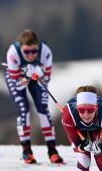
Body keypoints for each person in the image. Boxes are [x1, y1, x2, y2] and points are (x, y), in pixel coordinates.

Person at [5, 29, 63, 164]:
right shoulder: (13, 53)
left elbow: (47, 79)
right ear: (21, 48)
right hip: (18, 79)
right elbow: (17, 85)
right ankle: (27, 151)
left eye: (34, 51)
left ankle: (52, 151)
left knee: (43, 110)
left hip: (37, 78)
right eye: (26, 52)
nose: (31, 55)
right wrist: (26, 76)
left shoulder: (46, 52)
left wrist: (40, 73)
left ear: (38, 48)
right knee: (23, 111)